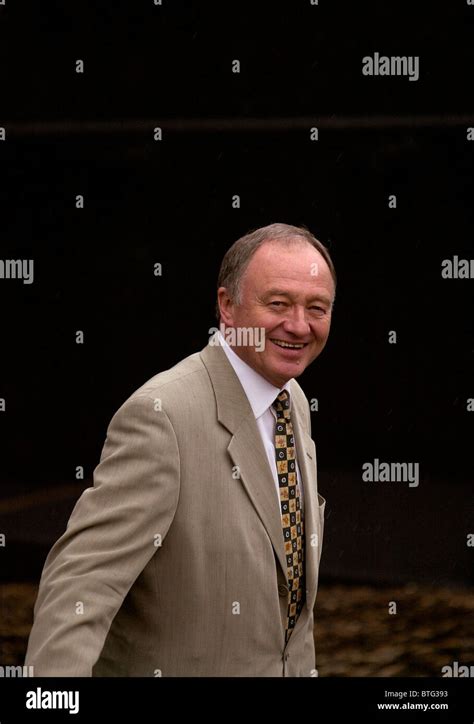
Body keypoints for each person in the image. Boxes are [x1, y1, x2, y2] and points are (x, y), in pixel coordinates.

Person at [25, 222, 336, 677]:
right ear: (227, 307)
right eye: (278, 304)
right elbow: (80, 588)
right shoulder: (162, 416)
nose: (298, 325)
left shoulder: (293, 402)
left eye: (317, 308)